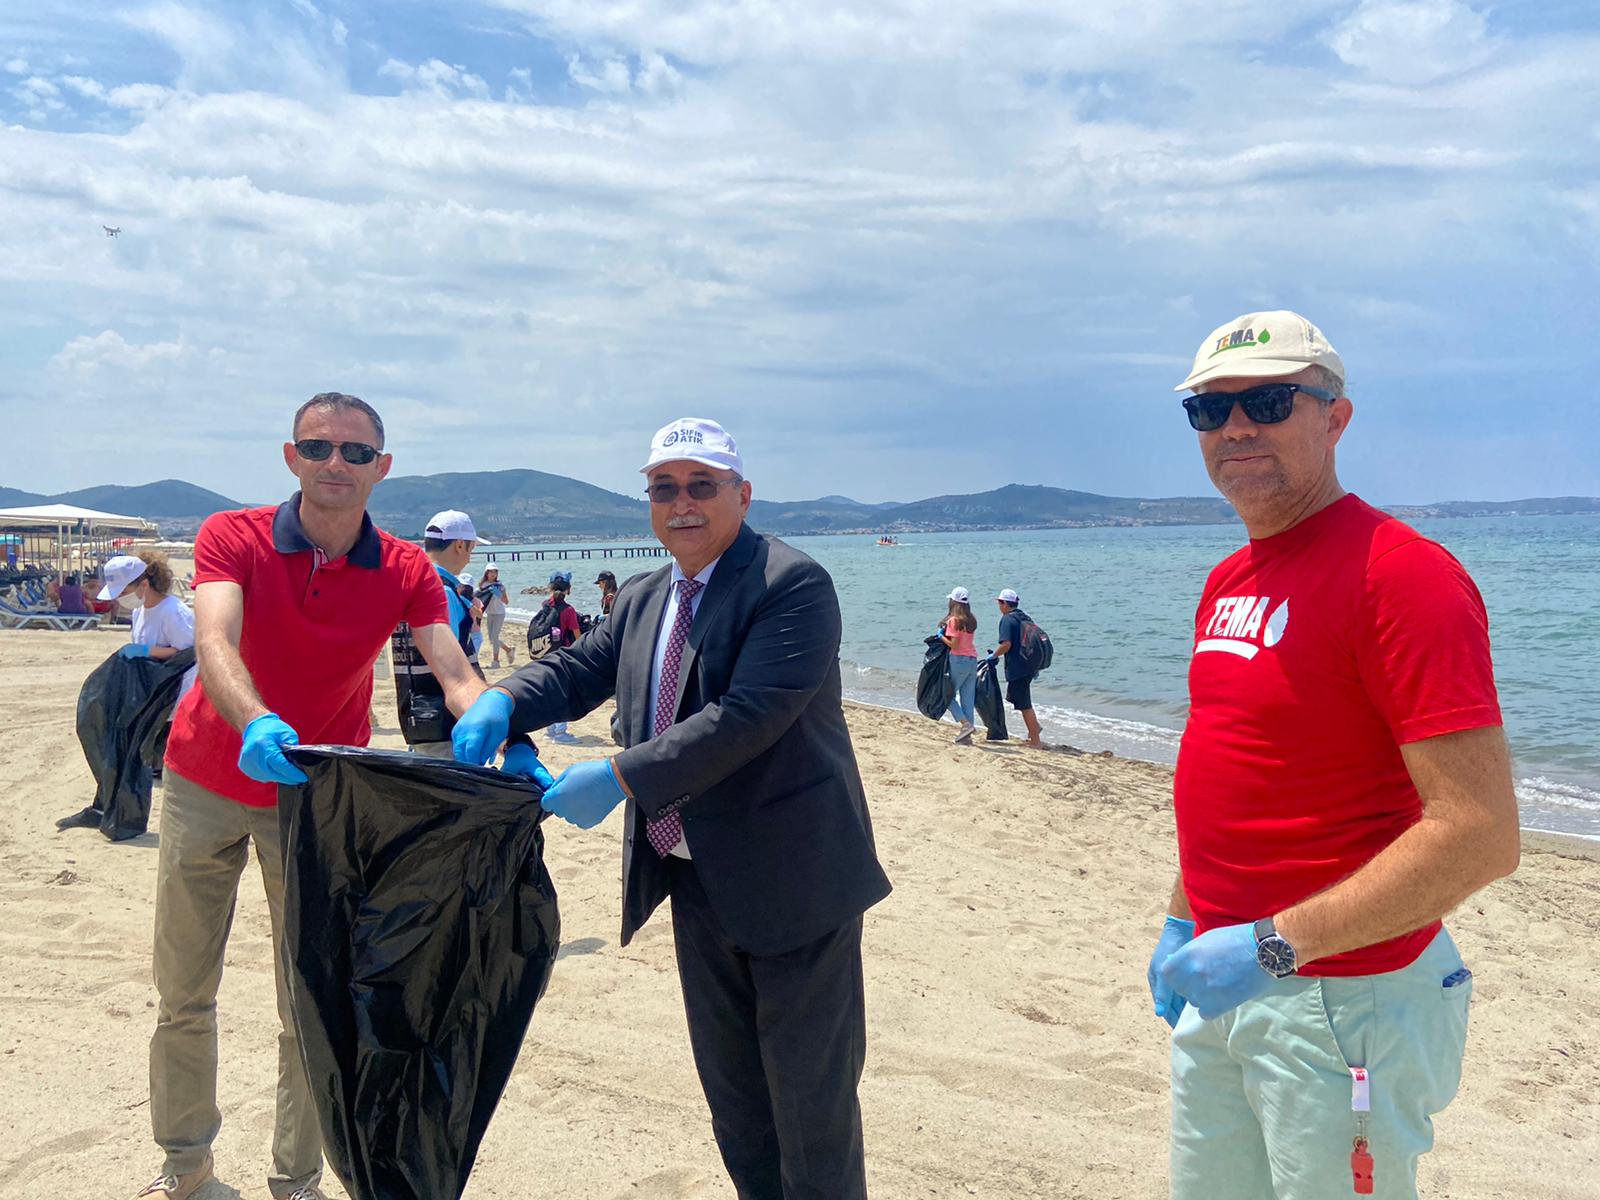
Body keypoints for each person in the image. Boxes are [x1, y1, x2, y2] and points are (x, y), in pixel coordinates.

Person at [451, 416, 892, 1200]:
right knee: (737, 1104)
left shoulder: (792, 585)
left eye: (701, 486)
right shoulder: (649, 597)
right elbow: (575, 669)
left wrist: (618, 776)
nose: (681, 503)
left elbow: (748, 717)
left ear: (742, 494)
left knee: (812, 1111)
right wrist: (501, 701)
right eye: (664, 489)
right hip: (696, 880)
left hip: (795, 883)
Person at [1149, 311, 1520, 1200]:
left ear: (1335, 417)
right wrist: (1182, 916)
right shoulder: (1229, 579)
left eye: (1270, 401)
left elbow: (1479, 834)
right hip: (1222, 984)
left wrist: (1272, 947)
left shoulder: (1403, 575)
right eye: (1211, 409)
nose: (1237, 427)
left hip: (1344, 999)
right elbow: (1231, 769)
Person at [133, 393, 488, 1200]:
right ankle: (185, 1167)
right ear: (290, 457)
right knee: (184, 990)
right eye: (318, 447)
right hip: (206, 780)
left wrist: (506, 729)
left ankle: (295, 1179)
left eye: (356, 453)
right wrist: (259, 722)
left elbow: (457, 672)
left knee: (310, 1000)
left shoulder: (403, 567)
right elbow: (215, 637)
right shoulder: (234, 534)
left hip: (318, 799)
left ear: (382, 469)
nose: (337, 463)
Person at [389, 510, 486, 759]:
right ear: (460, 545)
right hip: (444, 723)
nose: (470, 555)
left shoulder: (408, 588)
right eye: (472, 547)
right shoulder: (441, 593)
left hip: (418, 715)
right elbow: (452, 672)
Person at [98, 551, 198, 699]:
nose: (119, 599)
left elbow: (189, 654)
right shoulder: (138, 611)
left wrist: (147, 651)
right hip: (153, 693)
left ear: (144, 584)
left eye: (123, 592)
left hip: (177, 695)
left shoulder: (173, 611)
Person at [532, 571, 582, 744]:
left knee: (549, 691)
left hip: (545, 654)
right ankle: (561, 733)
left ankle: (550, 730)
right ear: (568, 589)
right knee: (564, 693)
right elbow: (577, 635)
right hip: (562, 655)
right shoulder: (568, 610)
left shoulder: (545, 605)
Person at [993, 588, 1043, 747]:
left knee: (1024, 703)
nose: (999, 606)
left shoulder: (1007, 620)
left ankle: (1035, 741)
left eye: (1000, 603)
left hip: (1019, 667)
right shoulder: (1024, 617)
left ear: (1006, 604)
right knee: (1017, 698)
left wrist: (993, 656)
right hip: (1029, 665)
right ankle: (1035, 727)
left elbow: (1006, 644)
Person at [939, 586, 979, 744]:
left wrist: (941, 637)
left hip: (959, 660)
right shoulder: (971, 620)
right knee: (967, 699)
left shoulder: (954, 621)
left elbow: (954, 645)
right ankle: (966, 737)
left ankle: (965, 724)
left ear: (953, 602)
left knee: (946, 695)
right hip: (972, 660)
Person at [478, 564, 515, 666]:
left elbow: (506, 601)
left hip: (499, 613)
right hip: (490, 613)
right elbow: (479, 598)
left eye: (495, 572)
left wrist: (498, 594)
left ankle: (496, 661)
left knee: (494, 637)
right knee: (491, 638)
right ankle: (508, 650)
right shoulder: (483, 585)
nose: (493, 574)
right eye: (491, 571)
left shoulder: (500, 586)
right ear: (487, 573)